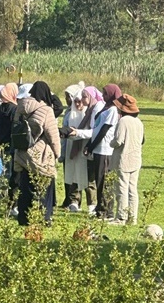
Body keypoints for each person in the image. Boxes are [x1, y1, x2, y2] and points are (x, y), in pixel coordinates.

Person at [13, 83, 61, 226]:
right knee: (44, 188)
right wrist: (57, 153)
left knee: (25, 187)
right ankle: (44, 217)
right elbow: (53, 135)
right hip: (40, 154)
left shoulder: (20, 107)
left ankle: (24, 217)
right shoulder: (46, 110)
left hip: (22, 152)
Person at [72, 83, 121, 219]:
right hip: (98, 149)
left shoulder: (112, 110)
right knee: (99, 181)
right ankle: (101, 208)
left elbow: (103, 131)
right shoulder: (106, 108)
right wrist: (90, 146)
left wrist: (91, 146)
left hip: (105, 149)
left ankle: (107, 211)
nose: (103, 96)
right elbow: (97, 129)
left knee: (104, 182)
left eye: (106, 94)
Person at [110, 94, 144, 225]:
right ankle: (133, 217)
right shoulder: (139, 122)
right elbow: (141, 140)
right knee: (132, 189)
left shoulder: (123, 121)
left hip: (123, 159)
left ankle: (121, 217)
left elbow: (119, 141)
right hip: (136, 159)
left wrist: (110, 143)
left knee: (122, 188)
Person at [60, 84, 93, 212]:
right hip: (70, 147)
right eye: (76, 102)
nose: (78, 104)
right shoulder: (69, 115)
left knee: (87, 175)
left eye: (80, 102)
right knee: (72, 172)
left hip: (84, 147)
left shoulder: (88, 115)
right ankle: (74, 200)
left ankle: (91, 202)